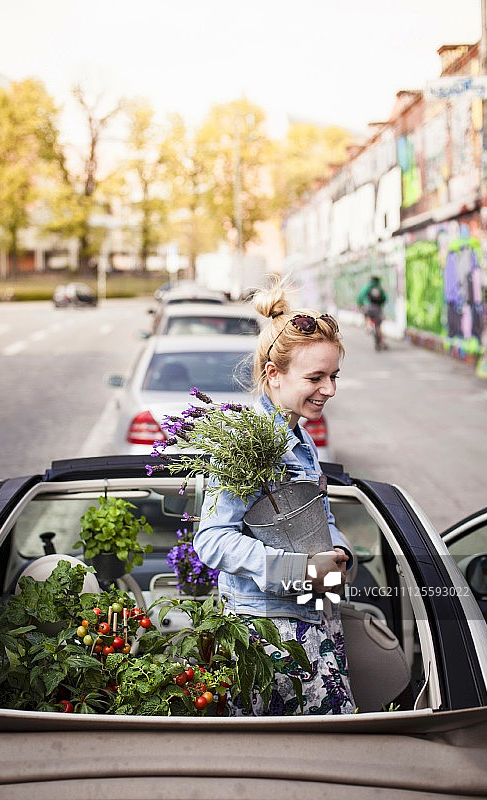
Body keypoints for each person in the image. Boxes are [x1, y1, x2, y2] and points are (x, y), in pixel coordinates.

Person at [194, 278, 355, 716]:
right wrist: (298, 570)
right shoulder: (242, 441)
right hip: (267, 632)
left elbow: (319, 519)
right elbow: (211, 540)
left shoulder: (301, 438)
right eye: (315, 377)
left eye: (333, 376)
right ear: (273, 374)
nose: (330, 390)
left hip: (312, 618)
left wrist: (339, 553)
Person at [357, 275, 388, 350]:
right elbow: (384, 298)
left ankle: (368, 326)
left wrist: (360, 305)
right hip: (377, 309)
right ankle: (381, 342)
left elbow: (361, 297)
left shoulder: (368, 287)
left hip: (369, 308)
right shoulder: (380, 288)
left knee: (366, 315)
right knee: (378, 326)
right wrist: (380, 306)